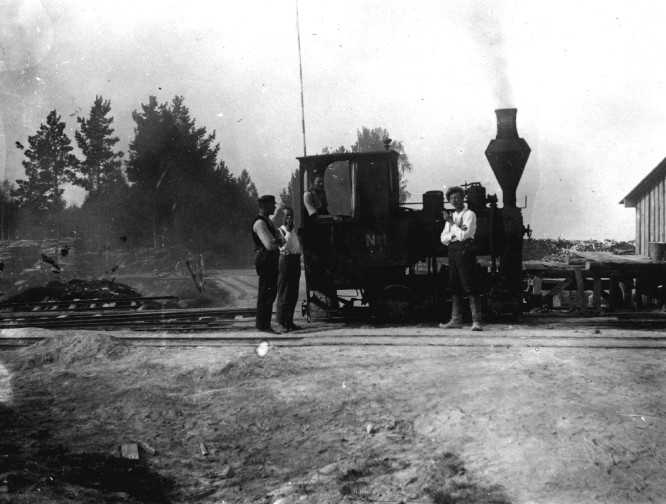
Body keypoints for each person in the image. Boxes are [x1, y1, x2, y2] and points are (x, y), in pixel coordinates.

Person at [439, 186, 482, 331]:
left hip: (466, 252)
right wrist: (453, 234)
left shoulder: (470, 214)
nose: (454, 200)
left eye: (457, 197)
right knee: (454, 286)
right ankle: (456, 320)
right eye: (451, 198)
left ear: (463, 198)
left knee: (470, 286)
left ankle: (476, 322)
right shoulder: (451, 217)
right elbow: (443, 239)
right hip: (453, 253)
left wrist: (452, 226)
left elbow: (465, 236)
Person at [252, 195, 285, 333]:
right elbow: (270, 245)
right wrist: (277, 239)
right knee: (266, 292)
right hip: (265, 260)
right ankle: (263, 325)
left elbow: (281, 240)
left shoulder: (267, 222)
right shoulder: (260, 223)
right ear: (264, 206)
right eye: (272, 205)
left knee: (270, 293)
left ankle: (264, 324)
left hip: (270, 260)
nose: (274, 207)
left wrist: (277, 240)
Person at [276, 207, 302, 332]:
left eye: (291, 216)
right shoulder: (280, 231)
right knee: (284, 293)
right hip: (285, 261)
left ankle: (289, 321)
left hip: (295, 261)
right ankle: (282, 322)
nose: (289, 219)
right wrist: (288, 232)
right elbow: (282, 246)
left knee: (293, 293)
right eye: (287, 216)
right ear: (282, 218)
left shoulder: (296, 231)